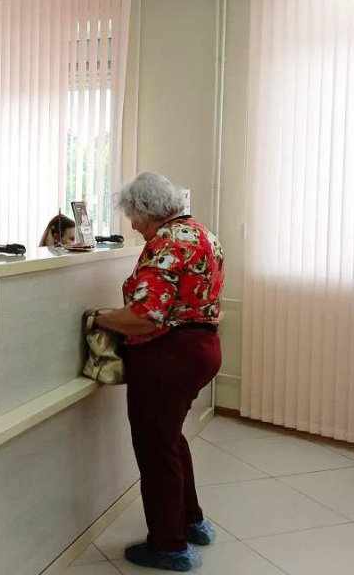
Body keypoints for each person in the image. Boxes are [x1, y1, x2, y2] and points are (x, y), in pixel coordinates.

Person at [94, 172, 223, 572]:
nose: (133, 226)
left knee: (156, 452)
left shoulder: (166, 243)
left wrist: (102, 320)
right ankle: (191, 520)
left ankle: (168, 547)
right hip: (202, 350)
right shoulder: (201, 232)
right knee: (170, 441)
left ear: (147, 210)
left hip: (168, 357)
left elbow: (145, 316)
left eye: (133, 216)